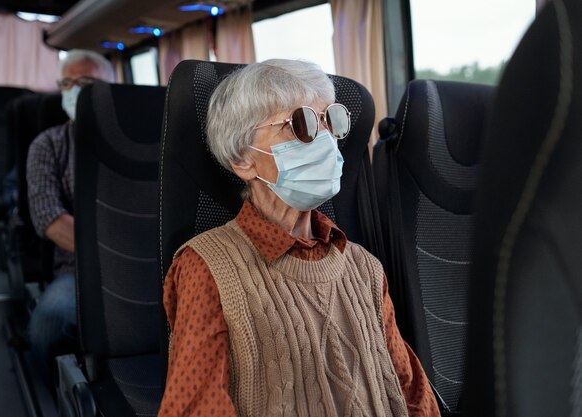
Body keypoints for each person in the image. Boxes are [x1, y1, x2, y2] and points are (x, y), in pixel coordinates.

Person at [158, 59, 440, 417]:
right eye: (302, 124)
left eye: (330, 121)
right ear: (243, 159)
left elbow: (411, 392)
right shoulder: (207, 268)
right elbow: (195, 408)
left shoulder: (364, 267)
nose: (325, 139)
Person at [26, 49, 115, 380]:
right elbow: (49, 218)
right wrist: (117, 258)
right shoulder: (47, 145)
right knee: (50, 320)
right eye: (67, 82)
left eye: (87, 82)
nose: (75, 90)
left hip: (155, 263)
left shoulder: (144, 139)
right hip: (78, 268)